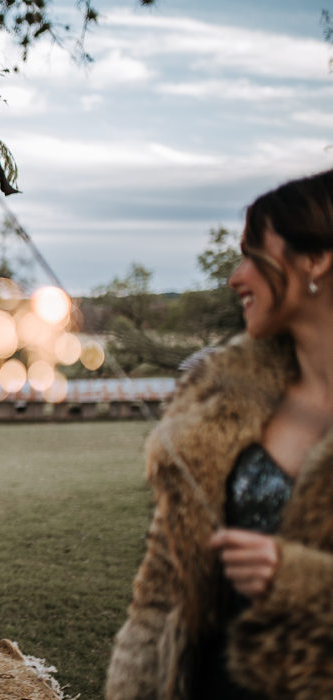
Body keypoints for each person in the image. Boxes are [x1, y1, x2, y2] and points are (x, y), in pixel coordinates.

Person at [106, 169, 333, 698]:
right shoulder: (218, 399)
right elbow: (160, 591)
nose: (236, 277)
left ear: (316, 259)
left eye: (254, 256)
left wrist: (298, 579)